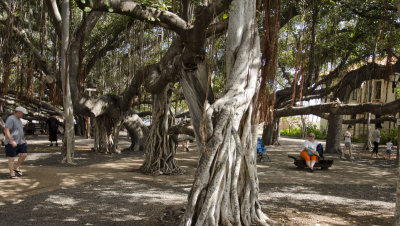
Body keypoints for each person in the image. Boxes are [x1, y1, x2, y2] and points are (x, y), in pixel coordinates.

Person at [4, 106, 28, 179]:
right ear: (18, 112)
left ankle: (16, 167)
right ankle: (12, 173)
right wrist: (11, 140)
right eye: (22, 113)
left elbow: (20, 130)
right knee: (11, 158)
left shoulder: (19, 120)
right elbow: (6, 130)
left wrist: (24, 139)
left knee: (24, 154)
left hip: (20, 141)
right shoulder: (11, 119)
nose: (23, 115)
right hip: (12, 142)